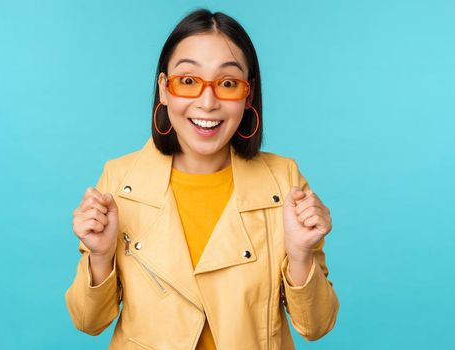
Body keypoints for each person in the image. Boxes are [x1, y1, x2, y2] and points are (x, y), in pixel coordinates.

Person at [65, 9, 339, 349]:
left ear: (247, 95)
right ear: (164, 89)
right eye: (189, 81)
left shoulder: (284, 180)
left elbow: (317, 325)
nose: (207, 102)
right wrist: (100, 257)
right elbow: (87, 322)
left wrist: (301, 255)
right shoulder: (120, 180)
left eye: (227, 83)